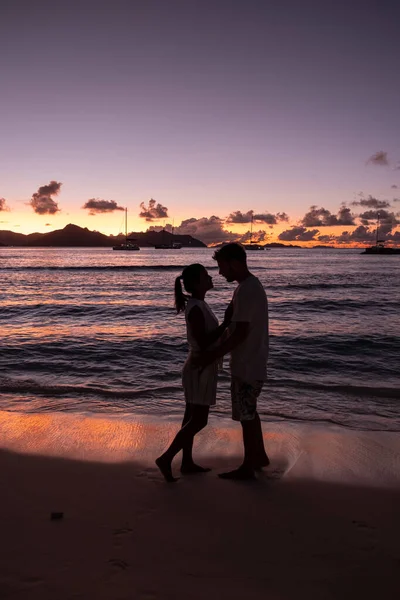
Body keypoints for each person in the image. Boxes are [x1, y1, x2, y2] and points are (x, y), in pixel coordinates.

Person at [196, 243, 270, 480]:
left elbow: (240, 333)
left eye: (222, 267)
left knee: (246, 416)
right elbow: (235, 327)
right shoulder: (246, 288)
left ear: (235, 263)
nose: (220, 273)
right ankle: (259, 457)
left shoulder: (248, 290)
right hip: (251, 361)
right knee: (250, 411)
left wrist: (213, 355)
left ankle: (248, 467)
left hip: (248, 363)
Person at [156, 263, 231, 482]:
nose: (210, 278)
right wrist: (226, 323)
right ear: (198, 283)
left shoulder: (199, 304)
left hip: (199, 365)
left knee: (190, 417)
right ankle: (166, 458)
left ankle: (187, 462)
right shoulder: (196, 307)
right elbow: (204, 340)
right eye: (206, 276)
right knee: (199, 420)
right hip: (200, 367)